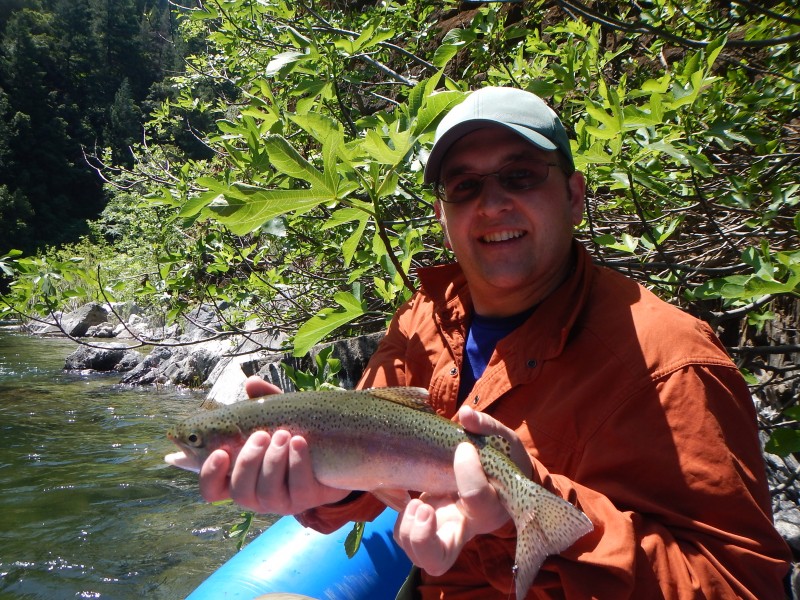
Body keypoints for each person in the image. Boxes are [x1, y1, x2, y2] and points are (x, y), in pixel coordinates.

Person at [198, 86, 791, 598]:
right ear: (443, 214)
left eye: (520, 175)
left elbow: (740, 584)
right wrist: (330, 482)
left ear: (575, 196)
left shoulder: (673, 361)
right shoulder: (424, 317)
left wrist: (525, 507)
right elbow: (365, 479)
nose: (492, 202)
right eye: (465, 185)